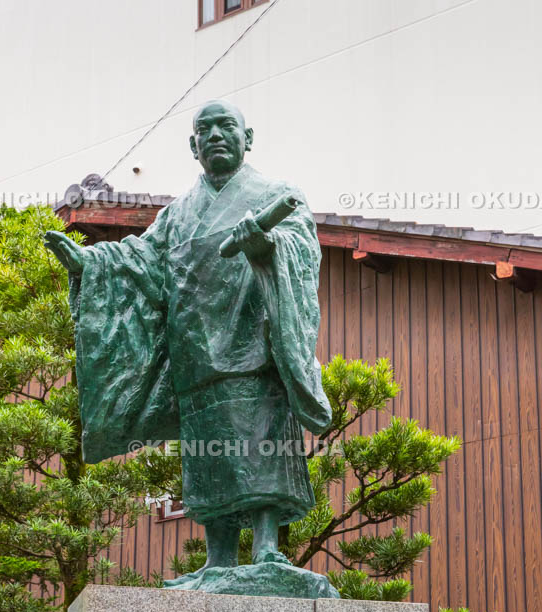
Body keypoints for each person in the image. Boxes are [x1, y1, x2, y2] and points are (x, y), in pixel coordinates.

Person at [44, 100, 331, 581]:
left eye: (227, 126)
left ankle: (266, 550)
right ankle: (218, 558)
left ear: (249, 137)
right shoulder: (177, 216)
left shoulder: (277, 194)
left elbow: (301, 248)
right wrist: (90, 264)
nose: (216, 135)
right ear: (193, 145)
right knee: (208, 457)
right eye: (205, 129)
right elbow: (141, 259)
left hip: (254, 349)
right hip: (195, 352)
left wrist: (267, 246)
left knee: (260, 443)